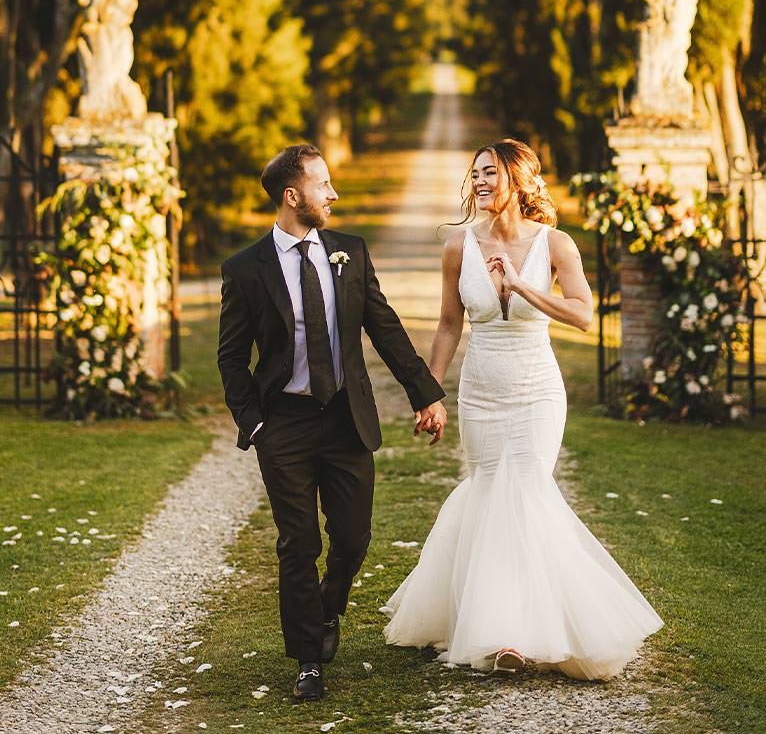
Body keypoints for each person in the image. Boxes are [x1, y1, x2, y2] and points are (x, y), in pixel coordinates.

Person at [383, 138, 663, 680]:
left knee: (526, 492)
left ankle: (517, 635)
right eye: (476, 173)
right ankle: (499, 627)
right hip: (481, 394)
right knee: (490, 494)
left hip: (536, 392)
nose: (480, 182)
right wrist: (430, 391)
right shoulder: (457, 247)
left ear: (518, 179)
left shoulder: (555, 245)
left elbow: (583, 316)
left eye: (491, 173)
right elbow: (447, 325)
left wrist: (519, 286)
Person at [217, 144, 447, 702]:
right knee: (298, 544)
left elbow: (385, 328)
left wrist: (427, 394)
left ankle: (329, 605)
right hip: (285, 426)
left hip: (346, 421)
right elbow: (231, 357)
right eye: (324, 185)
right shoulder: (245, 269)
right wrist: (255, 425)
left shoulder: (350, 252)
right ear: (293, 197)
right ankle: (308, 659)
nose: (334, 194)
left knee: (352, 536)